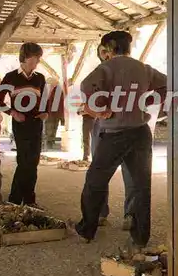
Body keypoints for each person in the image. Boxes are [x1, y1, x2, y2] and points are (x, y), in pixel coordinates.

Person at [68, 31, 167, 250]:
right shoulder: (143, 68)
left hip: (114, 134)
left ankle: (87, 230)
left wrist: (101, 108)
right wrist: (147, 100)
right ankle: (140, 238)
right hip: (140, 133)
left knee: (95, 182)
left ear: (109, 49)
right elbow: (166, 85)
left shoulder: (106, 68)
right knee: (141, 185)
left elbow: (87, 86)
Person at [79, 43, 135, 230]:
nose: (106, 55)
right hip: (103, 128)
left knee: (132, 172)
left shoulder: (133, 70)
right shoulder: (98, 74)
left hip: (129, 127)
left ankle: (131, 216)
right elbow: (87, 102)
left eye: (108, 51)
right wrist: (96, 112)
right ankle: (99, 213)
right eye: (102, 52)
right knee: (99, 173)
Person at [0, 42, 48, 207]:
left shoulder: (40, 78)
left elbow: (45, 100)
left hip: (36, 124)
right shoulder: (11, 77)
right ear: (25, 57)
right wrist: (12, 112)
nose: (38, 62)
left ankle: (29, 200)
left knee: (33, 162)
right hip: (20, 124)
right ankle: (14, 200)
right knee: (24, 161)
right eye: (36, 58)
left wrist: (45, 112)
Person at [45, 78, 65, 150]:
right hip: (51, 113)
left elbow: (58, 103)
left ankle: (50, 142)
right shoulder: (51, 90)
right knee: (50, 128)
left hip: (53, 113)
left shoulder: (57, 90)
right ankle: (49, 142)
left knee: (52, 128)